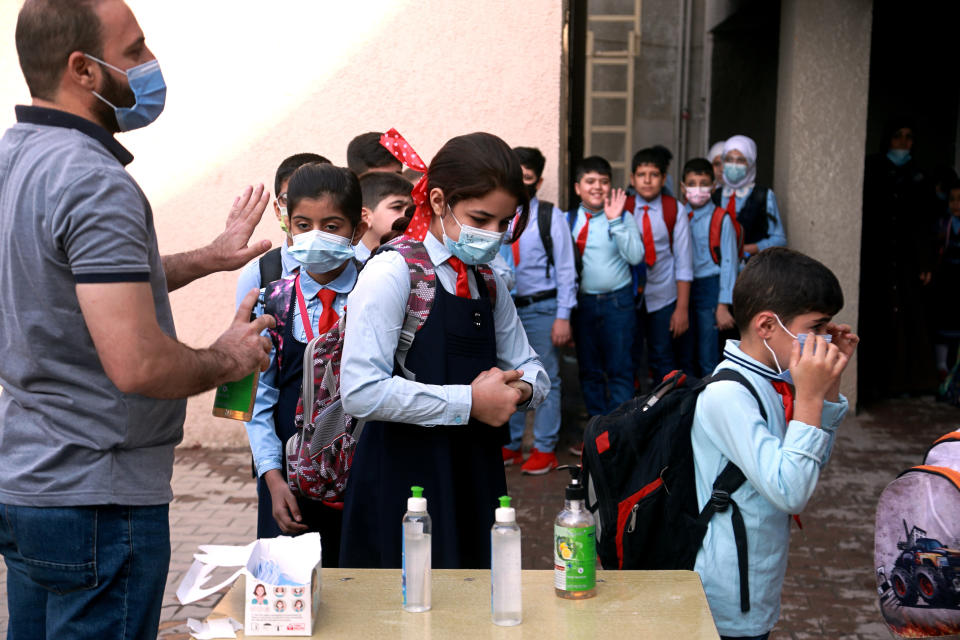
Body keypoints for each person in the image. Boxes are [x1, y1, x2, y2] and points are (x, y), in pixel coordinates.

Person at [0, 1, 274, 638]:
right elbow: (138, 363)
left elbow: (71, 289)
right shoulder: (94, 182)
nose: (151, 66)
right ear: (83, 70)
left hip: (29, 487)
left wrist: (208, 258)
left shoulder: (17, 158)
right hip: (99, 500)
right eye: (135, 50)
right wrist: (230, 358)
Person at [338, 131, 548, 569]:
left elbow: (532, 368)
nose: (493, 235)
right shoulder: (394, 272)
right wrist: (470, 402)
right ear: (437, 201)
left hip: (475, 476)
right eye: (480, 218)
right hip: (403, 482)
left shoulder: (486, 281)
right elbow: (360, 390)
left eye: (503, 223)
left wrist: (520, 392)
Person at [691, 247, 858, 640]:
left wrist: (827, 391)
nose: (823, 340)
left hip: (756, 582)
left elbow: (809, 465)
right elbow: (791, 491)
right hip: (727, 596)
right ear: (767, 326)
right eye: (816, 328)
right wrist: (811, 398)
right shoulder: (728, 395)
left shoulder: (771, 380)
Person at [244, 163, 366, 568]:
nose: (315, 236)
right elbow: (253, 400)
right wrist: (272, 479)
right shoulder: (269, 298)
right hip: (287, 485)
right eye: (303, 224)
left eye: (331, 226)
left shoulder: (380, 290)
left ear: (357, 230)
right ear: (287, 224)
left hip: (365, 480)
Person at [499, 146, 577, 474]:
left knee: (547, 377)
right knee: (508, 376)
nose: (520, 182)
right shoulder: (498, 213)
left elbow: (566, 269)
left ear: (538, 180)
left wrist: (563, 315)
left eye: (527, 177)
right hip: (505, 308)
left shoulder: (549, 216)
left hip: (541, 308)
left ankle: (544, 447)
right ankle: (512, 443)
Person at [859, 119, 939, 401]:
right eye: (898, 137)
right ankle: (877, 384)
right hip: (878, 258)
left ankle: (906, 383)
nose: (904, 143)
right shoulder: (874, 168)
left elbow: (925, 222)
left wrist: (925, 262)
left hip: (907, 260)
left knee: (908, 321)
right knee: (878, 319)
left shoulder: (918, 175)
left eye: (909, 137)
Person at [568, 156, 644, 442]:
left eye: (603, 181)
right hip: (584, 304)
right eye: (590, 181)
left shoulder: (624, 217)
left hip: (618, 304)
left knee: (620, 369)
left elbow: (636, 256)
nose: (597, 187)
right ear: (578, 188)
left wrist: (615, 222)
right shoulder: (567, 221)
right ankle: (597, 434)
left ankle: (622, 435)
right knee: (589, 370)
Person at [629, 147, 694, 382]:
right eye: (641, 174)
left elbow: (684, 262)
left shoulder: (673, 208)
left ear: (664, 179)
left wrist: (682, 308)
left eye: (654, 174)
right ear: (632, 179)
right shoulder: (622, 208)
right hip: (629, 296)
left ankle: (663, 410)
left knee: (662, 357)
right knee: (629, 357)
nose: (647, 180)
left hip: (664, 296)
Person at [234, 153, 331, 307]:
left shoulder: (360, 264)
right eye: (292, 198)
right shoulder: (258, 276)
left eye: (316, 197)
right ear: (278, 210)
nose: (305, 208)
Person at [682, 158, 738, 376]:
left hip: (710, 289)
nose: (698, 189)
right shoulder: (679, 215)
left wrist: (723, 304)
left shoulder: (721, 218)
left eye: (704, 183)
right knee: (684, 352)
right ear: (683, 187)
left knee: (708, 353)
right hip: (682, 287)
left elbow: (729, 263)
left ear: (714, 186)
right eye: (692, 183)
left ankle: (708, 404)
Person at [711, 135, 786, 258]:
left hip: (752, 268)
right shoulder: (715, 195)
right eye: (729, 159)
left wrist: (749, 249)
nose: (734, 165)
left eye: (741, 160)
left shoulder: (763, 195)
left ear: (750, 164)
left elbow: (780, 239)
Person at [355, 171, 412, 263]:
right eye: (397, 207)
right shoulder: (343, 265)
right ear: (365, 217)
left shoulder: (417, 257)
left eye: (412, 208)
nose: (409, 214)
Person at [934, 179, 960, 380]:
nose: (956, 205)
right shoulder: (943, 224)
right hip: (946, 283)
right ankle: (942, 367)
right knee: (944, 324)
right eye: (952, 200)